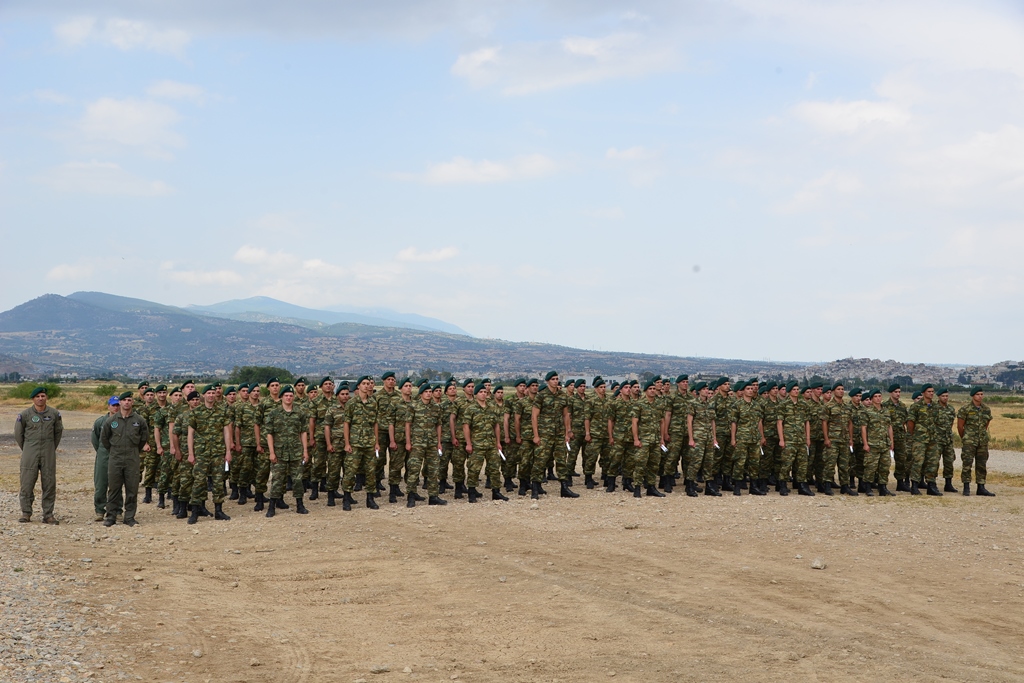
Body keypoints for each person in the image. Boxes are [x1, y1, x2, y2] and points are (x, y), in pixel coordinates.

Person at [14, 386, 64, 525]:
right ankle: (26, 513)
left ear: (46, 397)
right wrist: (27, 448)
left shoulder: (54, 413)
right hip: (30, 450)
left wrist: (51, 447)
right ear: (33, 399)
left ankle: (48, 514)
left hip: (48, 450)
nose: (40, 399)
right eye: (37, 396)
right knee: (27, 482)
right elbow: (18, 434)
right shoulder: (25, 415)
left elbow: (58, 432)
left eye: (43, 396)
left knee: (49, 483)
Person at [100, 391, 149, 527]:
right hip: (115, 457)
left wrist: (135, 450)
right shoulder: (111, 421)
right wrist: (114, 450)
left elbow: (144, 438)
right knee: (114, 489)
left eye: (129, 400)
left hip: (132, 458)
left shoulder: (139, 421)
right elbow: (105, 439)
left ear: (132, 402)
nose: (127, 402)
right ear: (120, 402)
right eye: (124, 400)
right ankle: (111, 516)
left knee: (132, 489)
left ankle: (129, 517)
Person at [186, 385, 233, 524]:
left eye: (213, 393)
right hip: (201, 453)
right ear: (204, 395)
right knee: (199, 482)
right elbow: (190, 434)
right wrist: (191, 453)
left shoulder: (222, 411)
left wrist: (228, 451)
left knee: (218, 482)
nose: (211, 395)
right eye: (209, 393)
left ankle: (219, 510)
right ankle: (195, 511)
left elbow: (226, 432)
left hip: (218, 452)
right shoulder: (196, 412)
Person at [264, 385, 311, 517]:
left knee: (297, 479)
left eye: (291, 395)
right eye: (286, 396)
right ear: (281, 397)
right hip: (279, 452)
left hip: (296, 451)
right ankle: (272, 506)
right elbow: (269, 434)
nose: (289, 398)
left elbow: (303, 432)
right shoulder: (274, 414)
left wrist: (305, 450)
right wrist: (272, 452)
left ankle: (300, 505)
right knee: (277, 480)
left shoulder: (300, 413)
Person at [532, 371, 578, 499]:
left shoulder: (562, 396)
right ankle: (535, 488)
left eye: (557, 379)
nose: (555, 381)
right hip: (545, 433)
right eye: (553, 379)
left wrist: (567, 432)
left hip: (558, 433)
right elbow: (534, 416)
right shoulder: (541, 396)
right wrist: (536, 435)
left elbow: (566, 415)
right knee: (540, 460)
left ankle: (564, 488)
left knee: (561, 460)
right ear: (547, 381)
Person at [403, 380, 445, 506]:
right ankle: (411, 495)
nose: (428, 394)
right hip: (417, 443)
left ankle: (433, 496)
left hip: (432, 443)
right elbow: (408, 425)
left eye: (429, 392)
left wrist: (439, 442)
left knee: (433, 470)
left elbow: (438, 425)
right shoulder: (413, 406)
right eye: (425, 392)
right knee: (414, 469)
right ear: (421, 394)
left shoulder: (436, 407)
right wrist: (408, 442)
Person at [462, 382, 506, 502]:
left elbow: (496, 426)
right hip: (477, 444)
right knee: (474, 468)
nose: (483, 394)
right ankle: (471, 492)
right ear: (476, 395)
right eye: (480, 392)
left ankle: (496, 492)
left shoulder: (492, 408)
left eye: (485, 392)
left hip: (491, 443)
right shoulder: (471, 409)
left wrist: (498, 442)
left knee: (494, 468)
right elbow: (466, 427)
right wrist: (468, 443)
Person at [344, 376, 380, 510]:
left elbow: (375, 423)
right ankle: (346, 498)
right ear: (358, 386)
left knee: (371, 471)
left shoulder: (373, 403)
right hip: (355, 442)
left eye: (368, 384)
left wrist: (376, 441)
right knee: (350, 471)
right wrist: (347, 443)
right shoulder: (351, 403)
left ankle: (370, 499)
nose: (366, 386)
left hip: (369, 442)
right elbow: (346, 424)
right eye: (363, 384)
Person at [958, 388, 994, 496]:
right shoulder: (965, 408)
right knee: (967, 464)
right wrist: (965, 437)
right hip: (969, 441)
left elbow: (986, 424)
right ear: (973, 396)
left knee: (982, 464)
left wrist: (982, 435)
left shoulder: (986, 409)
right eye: (978, 394)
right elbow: (960, 426)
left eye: (982, 394)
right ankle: (966, 486)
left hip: (982, 441)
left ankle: (981, 487)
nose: (980, 396)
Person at [90, 397, 120, 521]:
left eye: (118, 405)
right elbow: (95, 439)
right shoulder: (100, 421)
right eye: (113, 405)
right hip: (103, 455)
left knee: (117, 484)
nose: (116, 407)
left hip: (118, 455)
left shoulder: (124, 421)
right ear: (108, 406)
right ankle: (99, 510)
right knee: (101, 483)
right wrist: (102, 451)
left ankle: (117, 510)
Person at [861, 390, 894, 496]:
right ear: (871, 399)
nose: (878, 398)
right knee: (870, 467)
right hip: (872, 443)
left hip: (884, 443)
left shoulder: (886, 411)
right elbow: (863, 428)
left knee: (884, 466)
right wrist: (865, 443)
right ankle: (868, 487)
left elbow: (889, 427)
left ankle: (882, 487)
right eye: (875, 396)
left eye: (880, 396)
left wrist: (891, 441)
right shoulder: (867, 411)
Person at [935, 388, 958, 492]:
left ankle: (948, 484)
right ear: (939, 397)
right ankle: (932, 483)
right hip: (936, 440)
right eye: (943, 396)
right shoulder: (934, 408)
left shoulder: (951, 409)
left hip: (948, 440)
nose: (945, 398)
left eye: (946, 396)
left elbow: (951, 423)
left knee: (949, 462)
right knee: (934, 462)